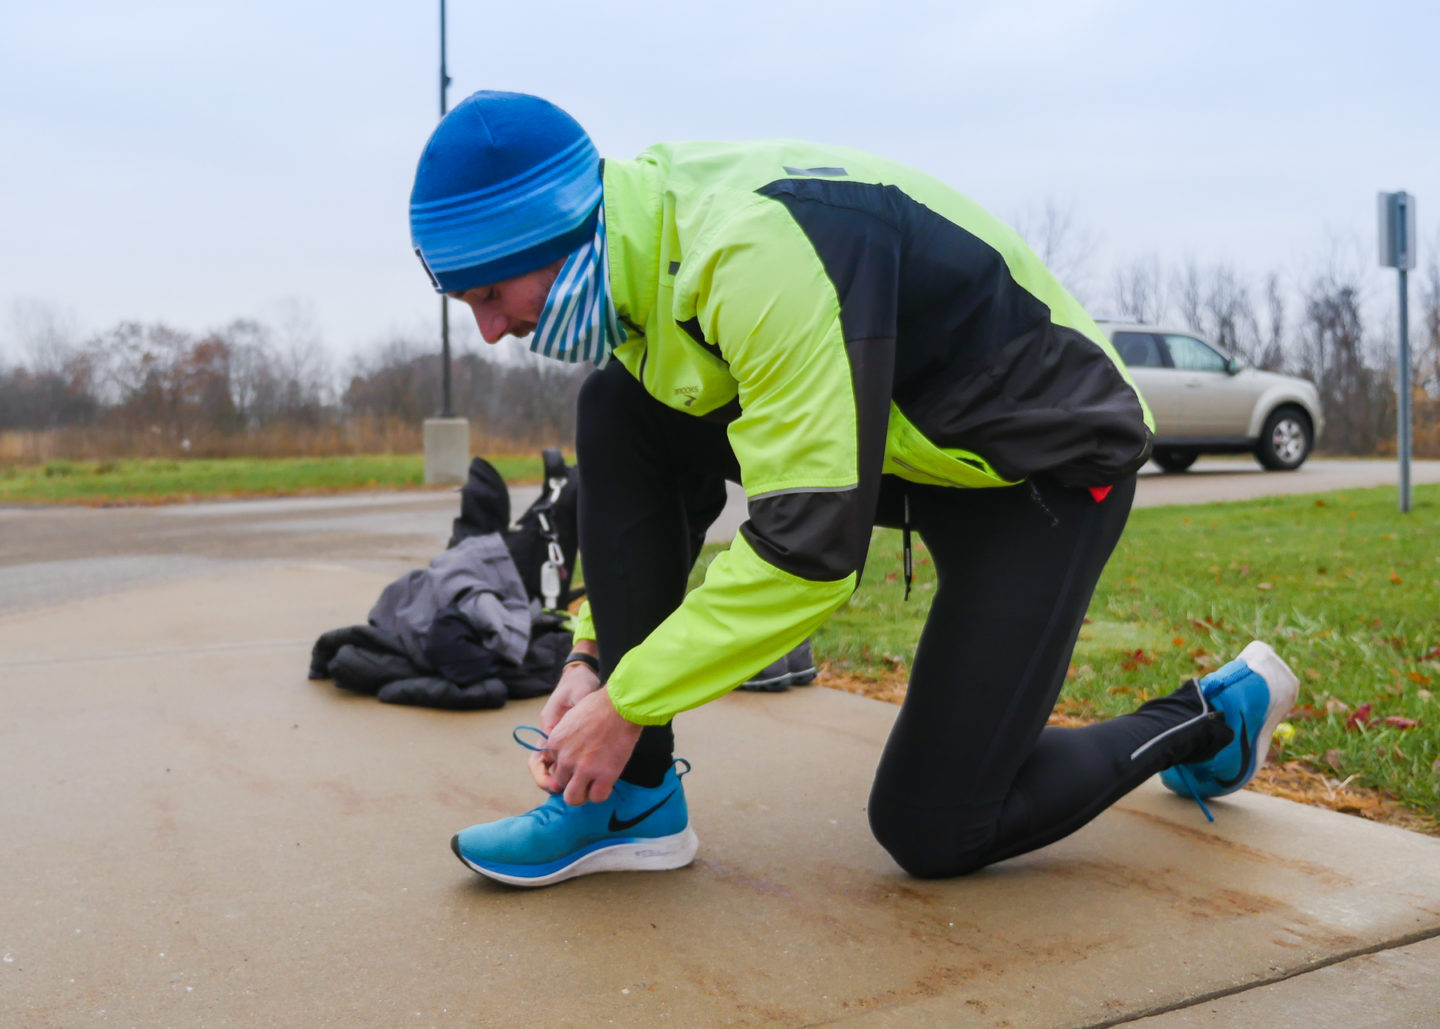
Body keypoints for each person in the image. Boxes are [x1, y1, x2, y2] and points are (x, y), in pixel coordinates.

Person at [408, 91, 1299, 888]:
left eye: (491, 291)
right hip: (909, 448)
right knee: (619, 405)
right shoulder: (637, 262)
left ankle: (1211, 715)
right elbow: (665, 491)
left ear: (560, 226)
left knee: (935, 826)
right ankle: (633, 802)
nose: (490, 331)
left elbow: (806, 553)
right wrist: (594, 657)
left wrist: (627, 701)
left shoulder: (747, 250)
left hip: (1044, 468)